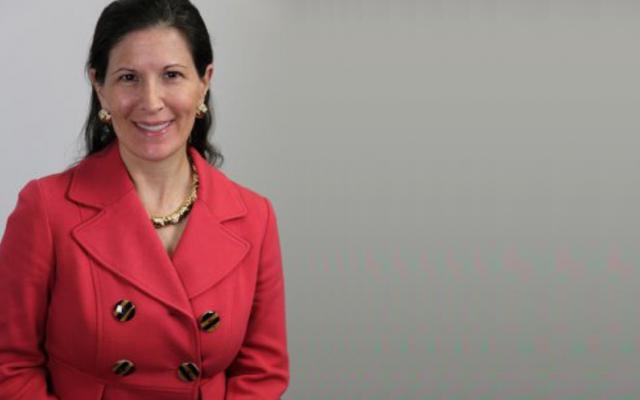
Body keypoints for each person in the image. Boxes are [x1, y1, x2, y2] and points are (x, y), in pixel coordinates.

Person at [0, 0, 289, 399]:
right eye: (128, 78)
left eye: (172, 75)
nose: (151, 102)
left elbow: (263, 371)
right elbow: (9, 365)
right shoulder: (45, 210)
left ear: (204, 81)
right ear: (99, 87)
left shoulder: (255, 217)